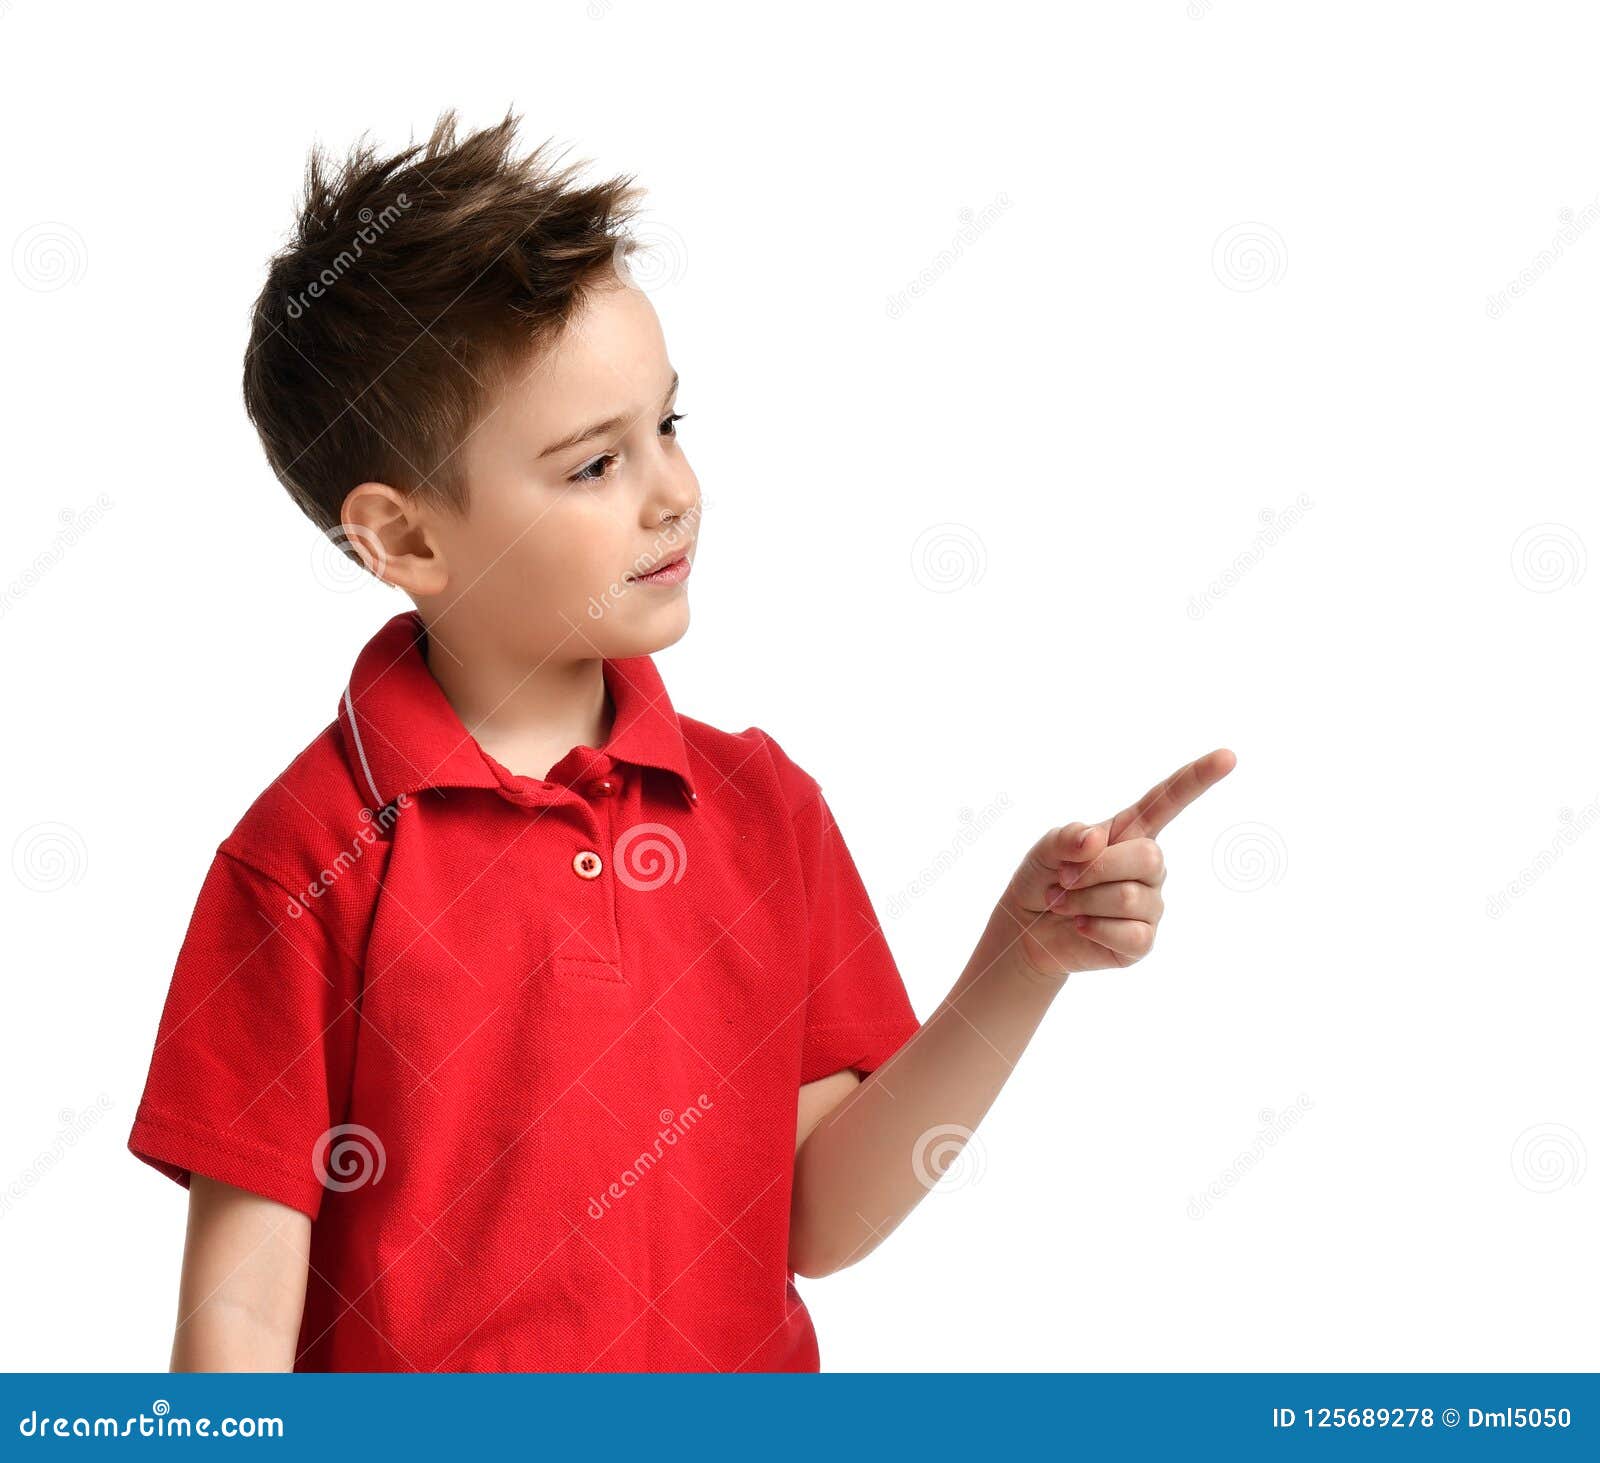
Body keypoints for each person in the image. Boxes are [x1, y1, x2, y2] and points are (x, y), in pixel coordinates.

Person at [128, 108, 1236, 1372]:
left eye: (668, 424)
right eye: (593, 465)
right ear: (407, 540)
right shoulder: (306, 856)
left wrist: (1020, 959)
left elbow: (819, 1215)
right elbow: (236, 1324)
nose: (671, 490)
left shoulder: (763, 808)